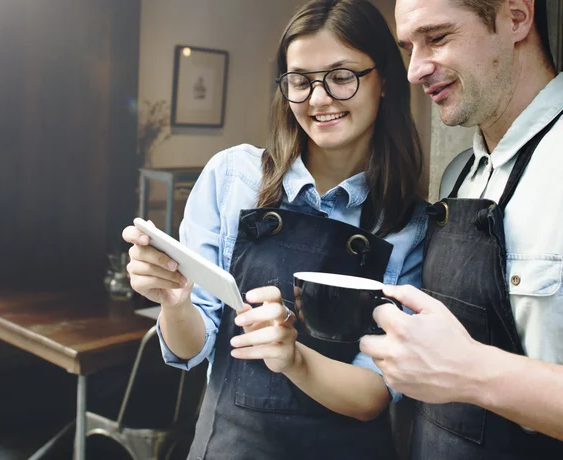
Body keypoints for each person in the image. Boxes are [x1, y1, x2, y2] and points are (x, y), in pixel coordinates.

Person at [123, 0, 427, 458]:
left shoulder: (408, 223)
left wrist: (294, 358)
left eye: (342, 76)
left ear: (383, 79)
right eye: (300, 81)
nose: (319, 99)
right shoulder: (233, 178)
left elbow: (374, 394)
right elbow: (191, 348)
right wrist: (176, 300)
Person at [359, 0, 563, 458]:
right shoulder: (457, 177)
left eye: (438, 37)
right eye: (409, 46)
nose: (414, 71)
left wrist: (471, 373)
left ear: (516, 17)